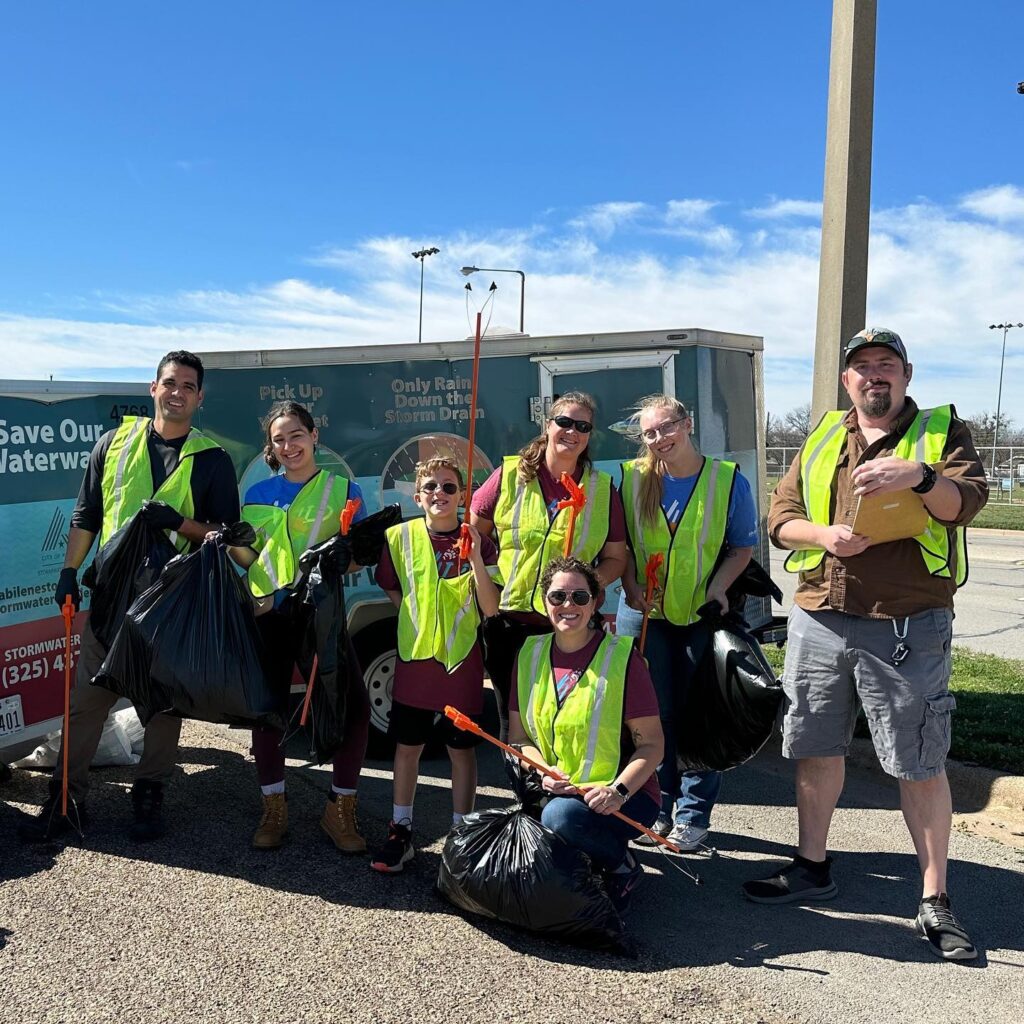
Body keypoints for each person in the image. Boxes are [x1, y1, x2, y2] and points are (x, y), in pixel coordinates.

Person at [744, 328, 988, 962]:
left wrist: (920, 474)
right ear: (847, 380)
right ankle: (812, 864)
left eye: (885, 364)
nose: (872, 375)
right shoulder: (824, 434)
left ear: (906, 373)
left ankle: (934, 899)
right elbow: (780, 517)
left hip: (907, 623)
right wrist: (822, 535)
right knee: (815, 747)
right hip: (821, 617)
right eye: (861, 367)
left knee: (919, 760)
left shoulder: (940, 432)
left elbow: (965, 504)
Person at [20, 351, 240, 842]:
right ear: (153, 388)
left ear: (199, 397)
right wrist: (69, 571)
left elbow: (227, 536)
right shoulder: (113, 444)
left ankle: (149, 796)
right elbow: (86, 516)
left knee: (161, 706)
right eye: (169, 382)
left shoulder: (214, 460)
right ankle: (65, 799)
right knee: (85, 703)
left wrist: (179, 523)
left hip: (170, 604)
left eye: (188, 385)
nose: (177, 391)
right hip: (111, 599)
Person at [228, 400, 372, 853]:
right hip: (269, 615)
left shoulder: (343, 490)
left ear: (314, 436)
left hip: (321, 614)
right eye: (279, 439)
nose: (289, 445)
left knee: (352, 708)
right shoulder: (256, 496)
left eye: (296, 435)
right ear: (270, 447)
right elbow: (251, 560)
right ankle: (274, 807)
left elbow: (361, 557)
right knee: (267, 711)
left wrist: (343, 559)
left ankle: (340, 809)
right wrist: (231, 547)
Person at [618, 394, 758, 851]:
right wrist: (630, 583)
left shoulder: (727, 480)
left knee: (698, 715)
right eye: (650, 433)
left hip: (701, 615)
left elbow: (741, 548)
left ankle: (693, 817)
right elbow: (619, 546)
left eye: (666, 428)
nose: (660, 439)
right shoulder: (633, 479)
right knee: (652, 716)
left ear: (687, 423)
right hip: (646, 616)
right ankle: (658, 806)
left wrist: (719, 586)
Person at [508, 556, 663, 913]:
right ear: (544, 601)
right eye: (558, 596)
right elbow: (518, 739)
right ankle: (584, 855)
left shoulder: (623, 659)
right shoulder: (529, 654)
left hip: (625, 794)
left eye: (579, 597)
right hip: (560, 789)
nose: (568, 606)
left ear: (595, 603)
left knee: (560, 819)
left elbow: (653, 746)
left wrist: (618, 792)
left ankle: (621, 864)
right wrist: (543, 772)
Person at [471, 392, 628, 741]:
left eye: (582, 426)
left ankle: (556, 796)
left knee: (564, 723)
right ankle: (528, 796)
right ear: (548, 424)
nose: (572, 431)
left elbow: (617, 558)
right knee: (513, 725)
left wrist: (584, 590)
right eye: (565, 422)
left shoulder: (603, 490)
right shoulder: (509, 475)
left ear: (589, 435)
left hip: (569, 629)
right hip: (509, 625)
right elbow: (474, 534)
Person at [371, 457, 500, 873]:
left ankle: (462, 836)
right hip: (415, 667)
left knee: (461, 753)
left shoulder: (479, 539)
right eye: (430, 487)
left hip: (461, 668)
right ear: (417, 494)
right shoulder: (399, 537)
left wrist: (477, 556)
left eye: (448, 487)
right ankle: (401, 831)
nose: (439, 494)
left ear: (463, 495)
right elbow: (392, 588)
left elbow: (491, 607)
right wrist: (414, 615)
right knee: (407, 750)